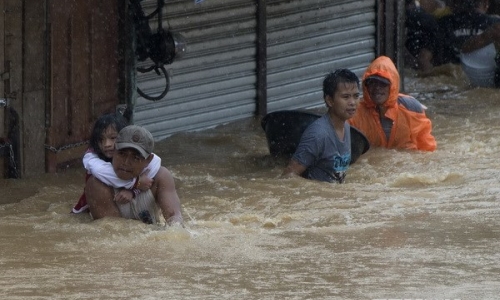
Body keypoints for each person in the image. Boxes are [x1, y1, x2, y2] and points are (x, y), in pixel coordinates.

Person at [85, 125, 183, 225]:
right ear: (113, 151)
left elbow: (174, 217)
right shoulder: (97, 184)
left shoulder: (160, 177)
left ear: (148, 160)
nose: (126, 162)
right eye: (122, 154)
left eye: (135, 158)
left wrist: (176, 228)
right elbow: (113, 231)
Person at [281, 69, 361, 183]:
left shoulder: (346, 127)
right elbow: (288, 176)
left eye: (356, 96)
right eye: (346, 97)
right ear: (329, 100)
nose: (352, 102)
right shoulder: (318, 135)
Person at [348, 56, 437, 151]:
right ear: (366, 86)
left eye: (383, 84)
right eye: (372, 83)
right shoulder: (355, 113)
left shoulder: (411, 108)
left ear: (393, 86)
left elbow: (427, 150)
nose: (377, 88)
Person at [439, 0, 500, 87]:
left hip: (451, 77)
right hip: (484, 80)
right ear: (486, 4)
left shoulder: (443, 23)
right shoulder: (495, 25)